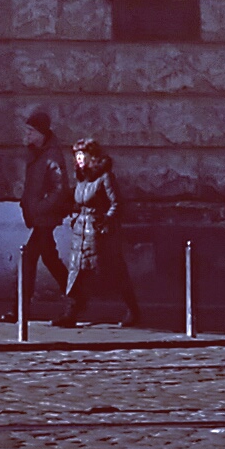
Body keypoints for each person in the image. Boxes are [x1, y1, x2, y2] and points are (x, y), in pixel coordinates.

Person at [57, 138, 140, 327]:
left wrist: (105, 221)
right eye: (76, 155)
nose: (78, 158)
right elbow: (78, 201)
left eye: (82, 154)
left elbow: (116, 203)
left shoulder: (105, 177)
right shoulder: (81, 178)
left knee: (114, 272)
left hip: (99, 234)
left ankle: (133, 310)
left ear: (91, 156)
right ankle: (72, 312)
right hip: (80, 233)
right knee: (76, 272)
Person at [17, 109, 75, 315]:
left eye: (31, 131)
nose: (27, 134)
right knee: (49, 258)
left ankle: (22, 308)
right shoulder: (37, 153)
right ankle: (77, 295)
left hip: (46, 217)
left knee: (29, 258)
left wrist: (39, 207)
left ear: (41, 133)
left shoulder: (52, 156)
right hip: (40, 216)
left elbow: (59, 189)